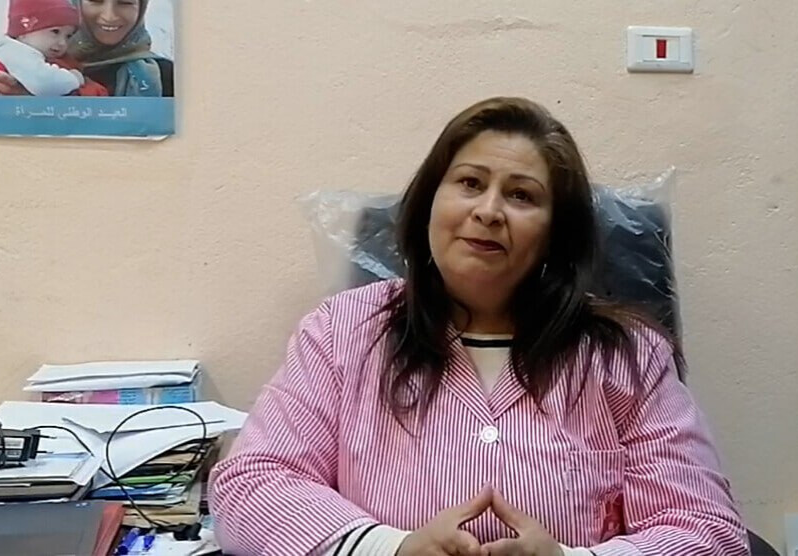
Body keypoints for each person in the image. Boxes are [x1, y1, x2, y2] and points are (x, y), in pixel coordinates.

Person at [208, 97, 750, 556]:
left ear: (555, 235)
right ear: (430, 203)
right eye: (470, 183)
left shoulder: (629, 355)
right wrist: (391, 548)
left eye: (521, 195)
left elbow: (709, 533)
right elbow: (249, 485)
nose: (489, 211)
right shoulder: (343, 332)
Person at [0, 0, 172, 96]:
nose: (110, 16)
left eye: (125, 2)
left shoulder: (166, 76)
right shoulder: (22, 65)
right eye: (95, 0)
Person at [0, 0, 89, 96]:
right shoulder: (15, 52)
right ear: (24, 31)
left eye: (68, 36)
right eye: (55, 32)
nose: (62, 43)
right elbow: (47, 84)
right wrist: (74, 78)